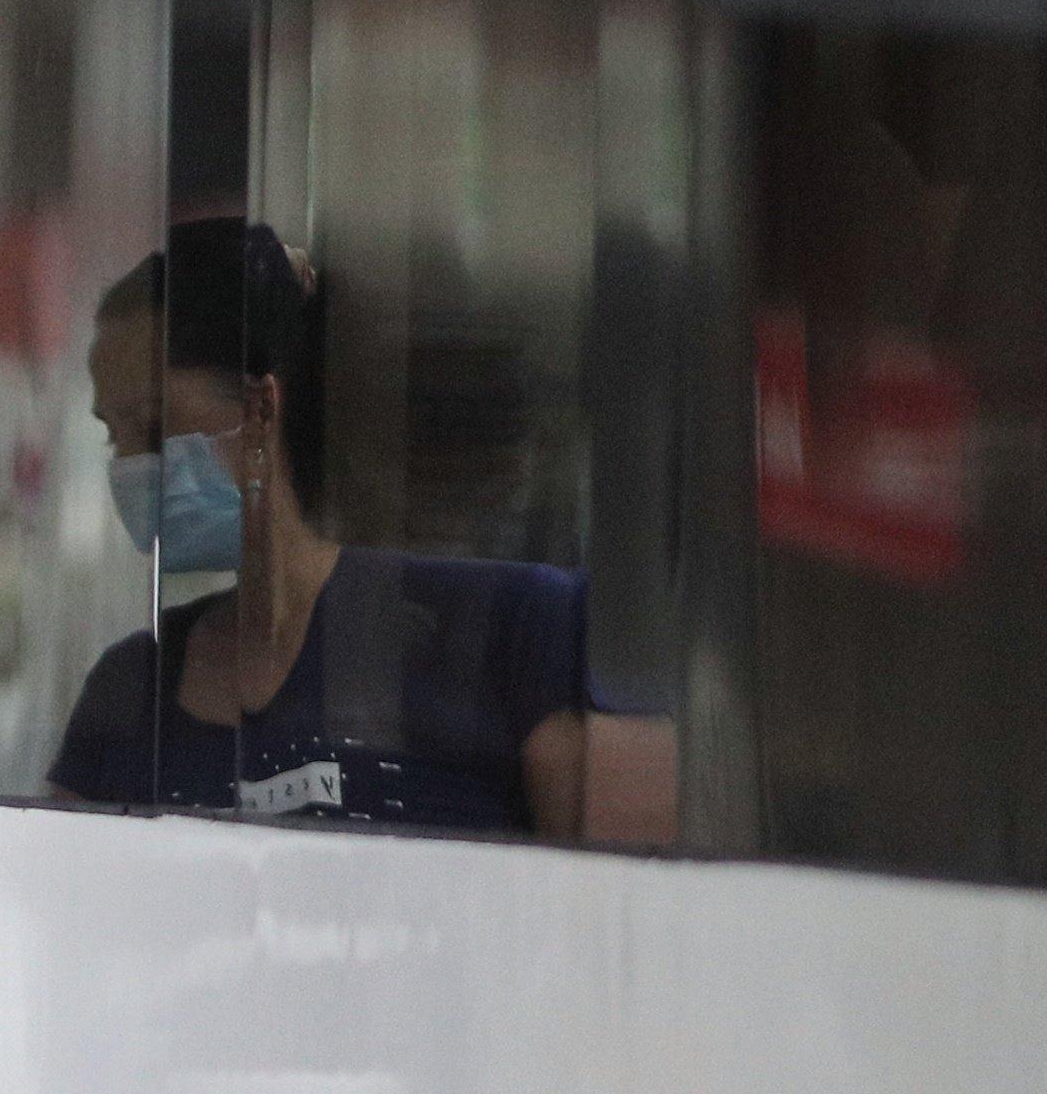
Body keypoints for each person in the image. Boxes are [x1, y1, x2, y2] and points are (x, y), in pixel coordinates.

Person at [50, 219, 628, 837]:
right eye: (115, 434)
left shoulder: (511, 633)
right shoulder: (131, 693)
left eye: (152, 423)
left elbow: (604, 903)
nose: (131, 467)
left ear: (260, 410)